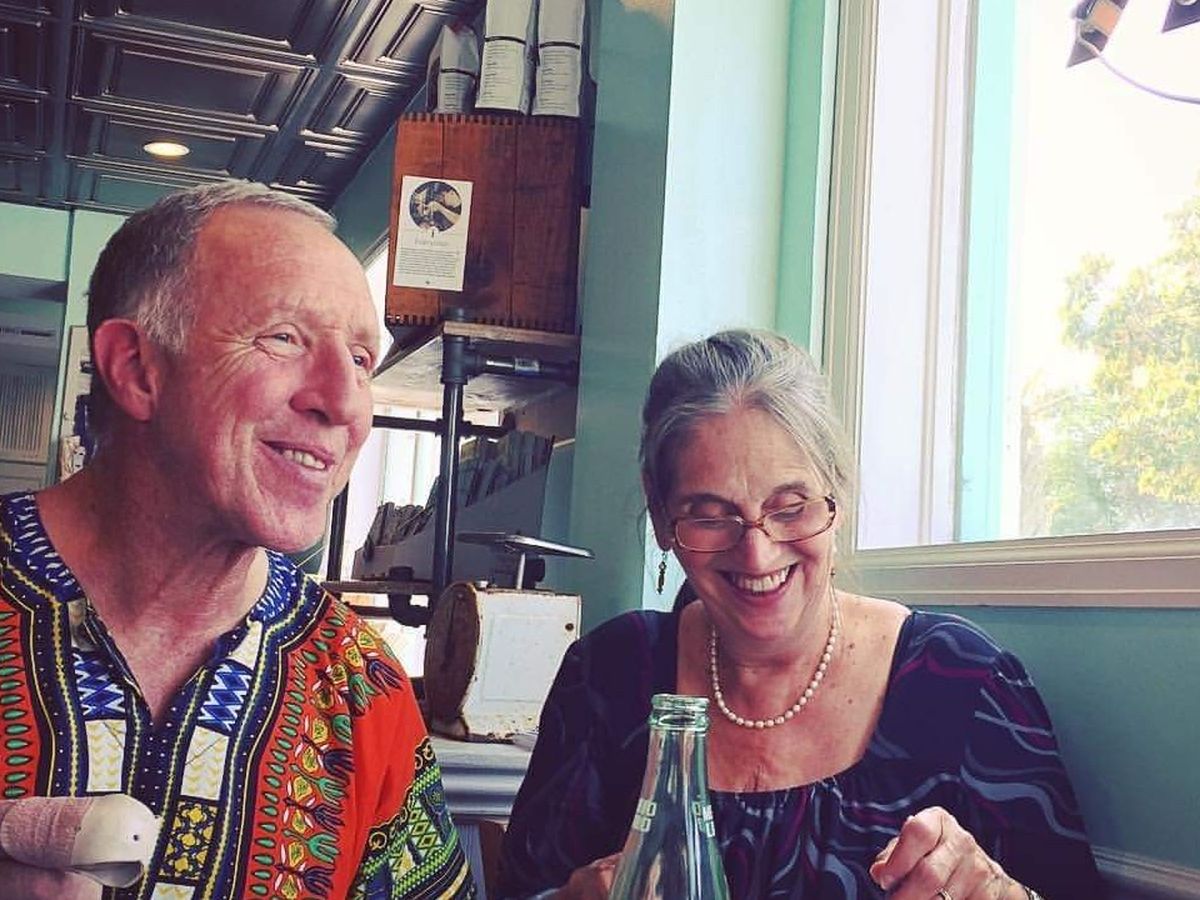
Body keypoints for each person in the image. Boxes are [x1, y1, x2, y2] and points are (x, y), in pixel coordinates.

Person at [499, 329, 1103, 899]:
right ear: (661, 517)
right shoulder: (607, 675)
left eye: (790, 508)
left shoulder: (963, 683)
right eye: (710, 516)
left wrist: (998, 891)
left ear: (837, 491)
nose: (756, 553)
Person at [0, 182, 475, 898]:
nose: (342, 403)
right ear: (135, 369)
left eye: (360, 360)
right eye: (283, 338)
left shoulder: (360, 686)